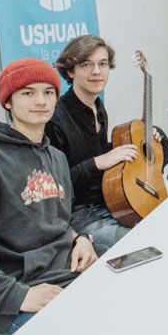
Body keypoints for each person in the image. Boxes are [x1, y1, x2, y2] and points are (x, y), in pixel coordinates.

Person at [0, 59, 98, 334]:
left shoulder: (56, 157)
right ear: (7, 101)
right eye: (28, 92)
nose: (41, 100)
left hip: (65, 276)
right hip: (14, 292)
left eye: (48, 92)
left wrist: (81, 239)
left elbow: (57, 221)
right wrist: (18, 295)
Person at [47, 36, 133, 249]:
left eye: (102, 64)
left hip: (108, 201)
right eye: (86, 64)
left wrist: (139, 142)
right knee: (138, 245)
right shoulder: (54, 118)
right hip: (78, 215)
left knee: (162, 224)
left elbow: (100, 153)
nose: (97, 71)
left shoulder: (98, 106)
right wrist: (97, 163)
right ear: (70, 71)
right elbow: (56, 188)